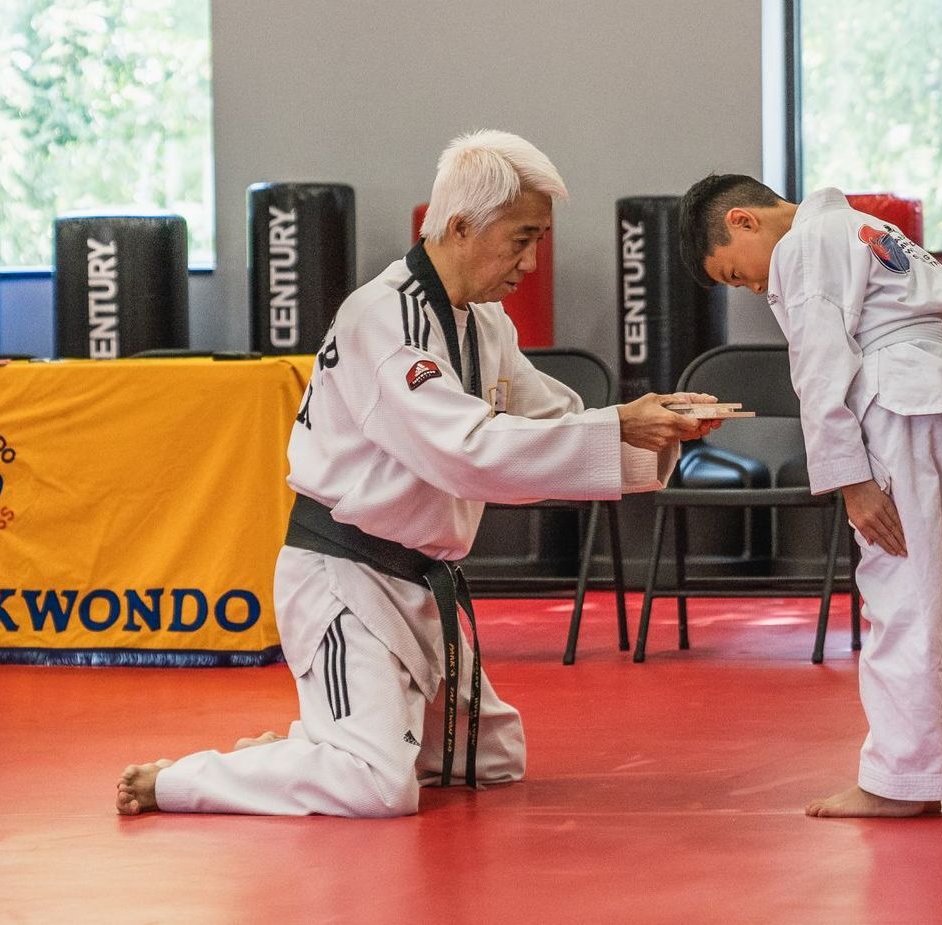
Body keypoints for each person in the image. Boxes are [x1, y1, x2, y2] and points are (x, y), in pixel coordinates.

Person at [117, 130, 719, 817]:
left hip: (419, 581)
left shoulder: (482, 322)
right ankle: (180, 781)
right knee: (377, 787)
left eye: (539, 242)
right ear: (462, 226)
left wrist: (661, 426)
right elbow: (467, 452)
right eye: (521, 238)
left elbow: (552, 414)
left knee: (488, 759)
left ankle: (307, 749)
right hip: (346, 577)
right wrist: (616, 426)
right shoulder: (383, 316)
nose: (530, 261)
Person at [678, 175, 942, 817]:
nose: (748, 287)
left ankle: (898, 782)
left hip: (895, 403)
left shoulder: (806, 243)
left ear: (743, 221)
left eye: (735, 274)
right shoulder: (871, 228)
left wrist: (851, 480)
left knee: (903, 593)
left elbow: (819, 363)